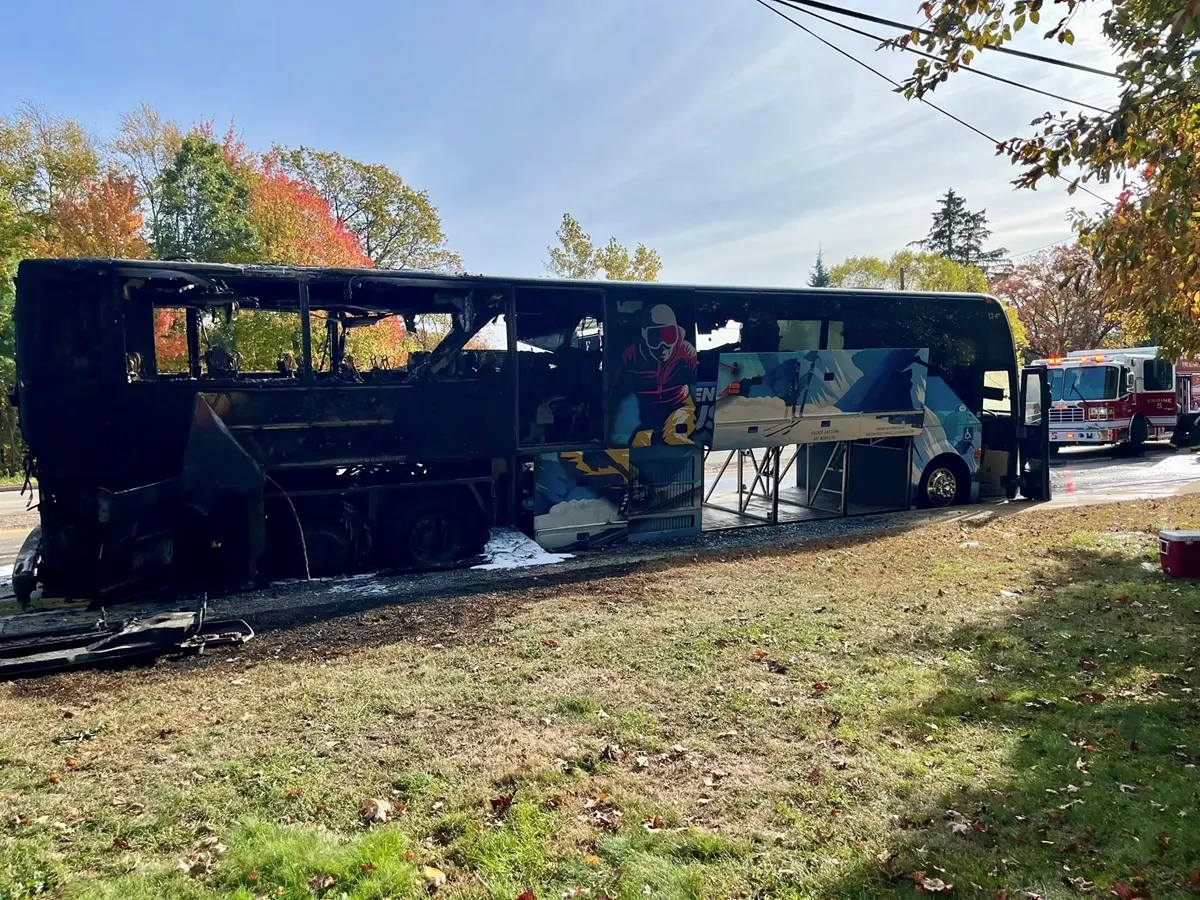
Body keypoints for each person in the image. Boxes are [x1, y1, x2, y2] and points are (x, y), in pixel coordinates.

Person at [612, 304, 698, 446]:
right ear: (645, 335)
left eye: (669, 336)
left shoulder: (685, 352)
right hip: (650, 416)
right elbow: (615, 389)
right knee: (639, 443)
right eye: (655, 338)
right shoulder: (631, 356)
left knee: (672, 436)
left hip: (680, 407)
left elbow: (701, 378)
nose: (663, 345)